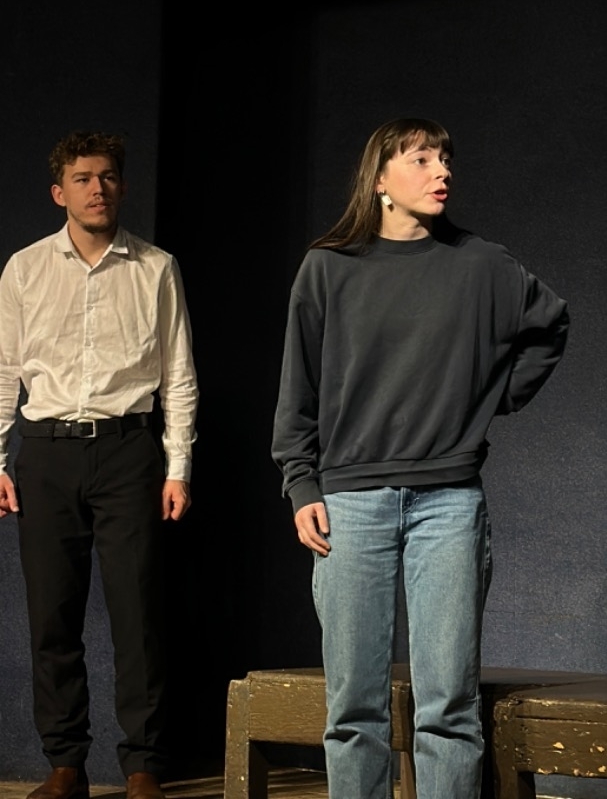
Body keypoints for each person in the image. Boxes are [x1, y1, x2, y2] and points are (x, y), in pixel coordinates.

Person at [272, 117, 569, 799]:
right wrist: (300, 482)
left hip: (447, 503)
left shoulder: (481, 264)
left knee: (449, 708)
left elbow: (550, 322)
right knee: (354, 709)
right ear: (379, 179)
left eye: (445, 160)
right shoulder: (329, 267)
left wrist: (493, 395)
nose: (442, 172)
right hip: (350, 504)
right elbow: (298, 386)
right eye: (422, 159)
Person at [0, 131, 198, 799]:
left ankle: (142, 765)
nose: (97, 189)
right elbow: (3, 371)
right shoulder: (25, 269)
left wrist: (178, 466)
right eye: (83, 178)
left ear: (122, 186)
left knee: (137, 614)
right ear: (59, 192)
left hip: (127, 450)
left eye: (108, 176)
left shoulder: (156, 267)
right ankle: (65, 763)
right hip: (46, 452)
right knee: (51, 615)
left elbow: (178, 374)